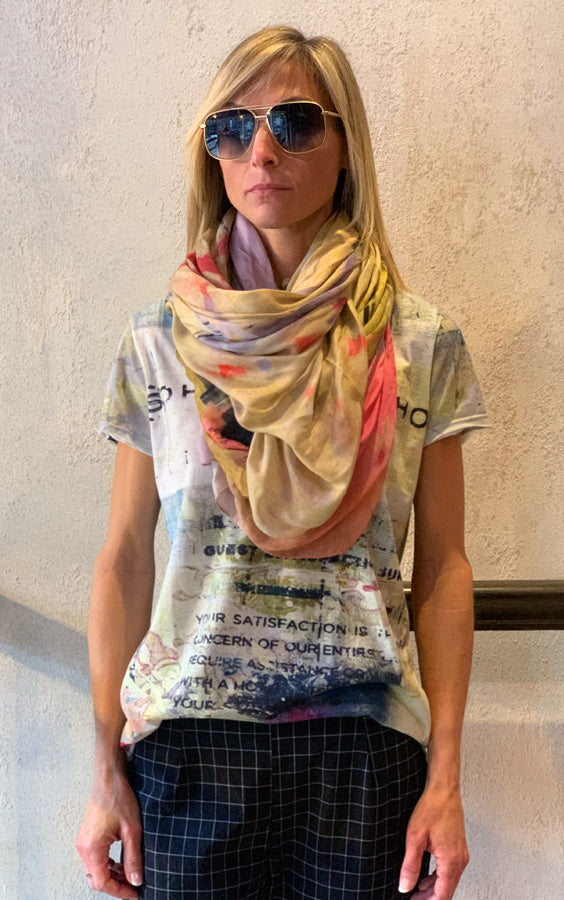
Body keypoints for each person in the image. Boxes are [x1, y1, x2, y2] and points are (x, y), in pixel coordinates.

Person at [76, 25, 488, 900]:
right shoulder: (157, 341)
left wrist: (448, 776)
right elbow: (124, 559)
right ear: (212, 155)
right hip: (188, 743)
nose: (261, 150)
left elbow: (444, 568)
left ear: (346, 147)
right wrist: (104, 767)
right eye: (232, 127)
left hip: (364, 748)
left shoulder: (421, 343)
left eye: (294, 122)